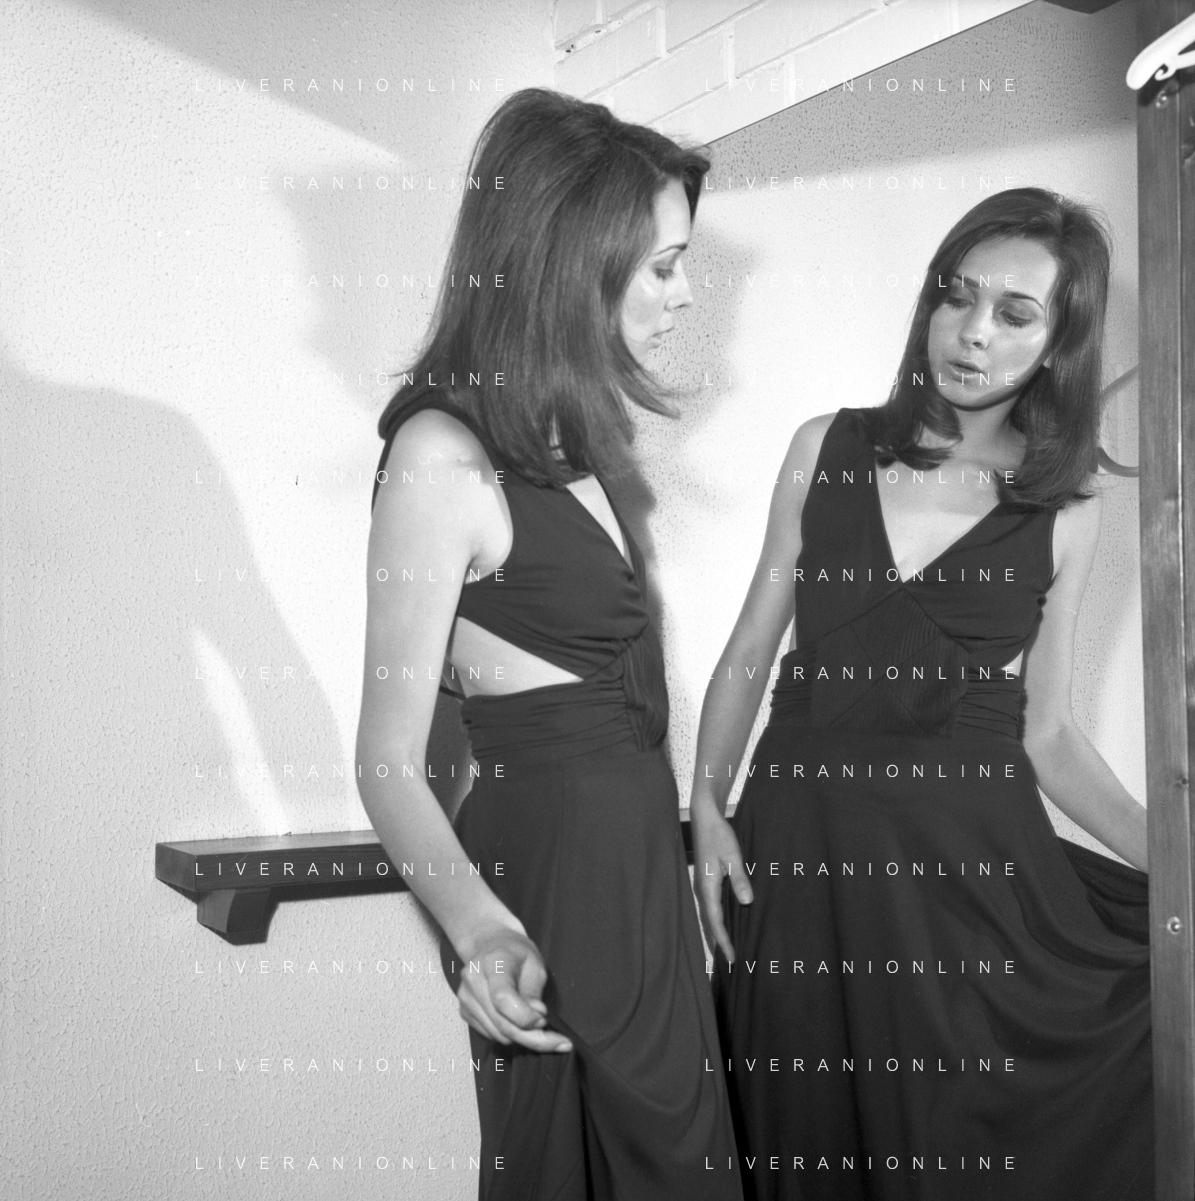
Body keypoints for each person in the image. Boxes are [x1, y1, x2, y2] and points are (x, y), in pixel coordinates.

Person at [689, 187, 1151, 1200]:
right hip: (797, 859)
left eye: (1015, 314)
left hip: (965, 887)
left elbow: (1048, 735)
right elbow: (751, 647)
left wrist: (1182, 866)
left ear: (1059, 342)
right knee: (800, 1137)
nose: (972, 331)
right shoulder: (824, 446)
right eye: (956, 294)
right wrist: (705, 805)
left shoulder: (1066, 508)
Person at [355, 88, 742, 1201]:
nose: (682, 294)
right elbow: (386, 759)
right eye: (662, 266)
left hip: (634, 873)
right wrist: (481, 932)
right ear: (572, 260)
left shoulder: (576, 439)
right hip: (556, 887)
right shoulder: (440, 454)